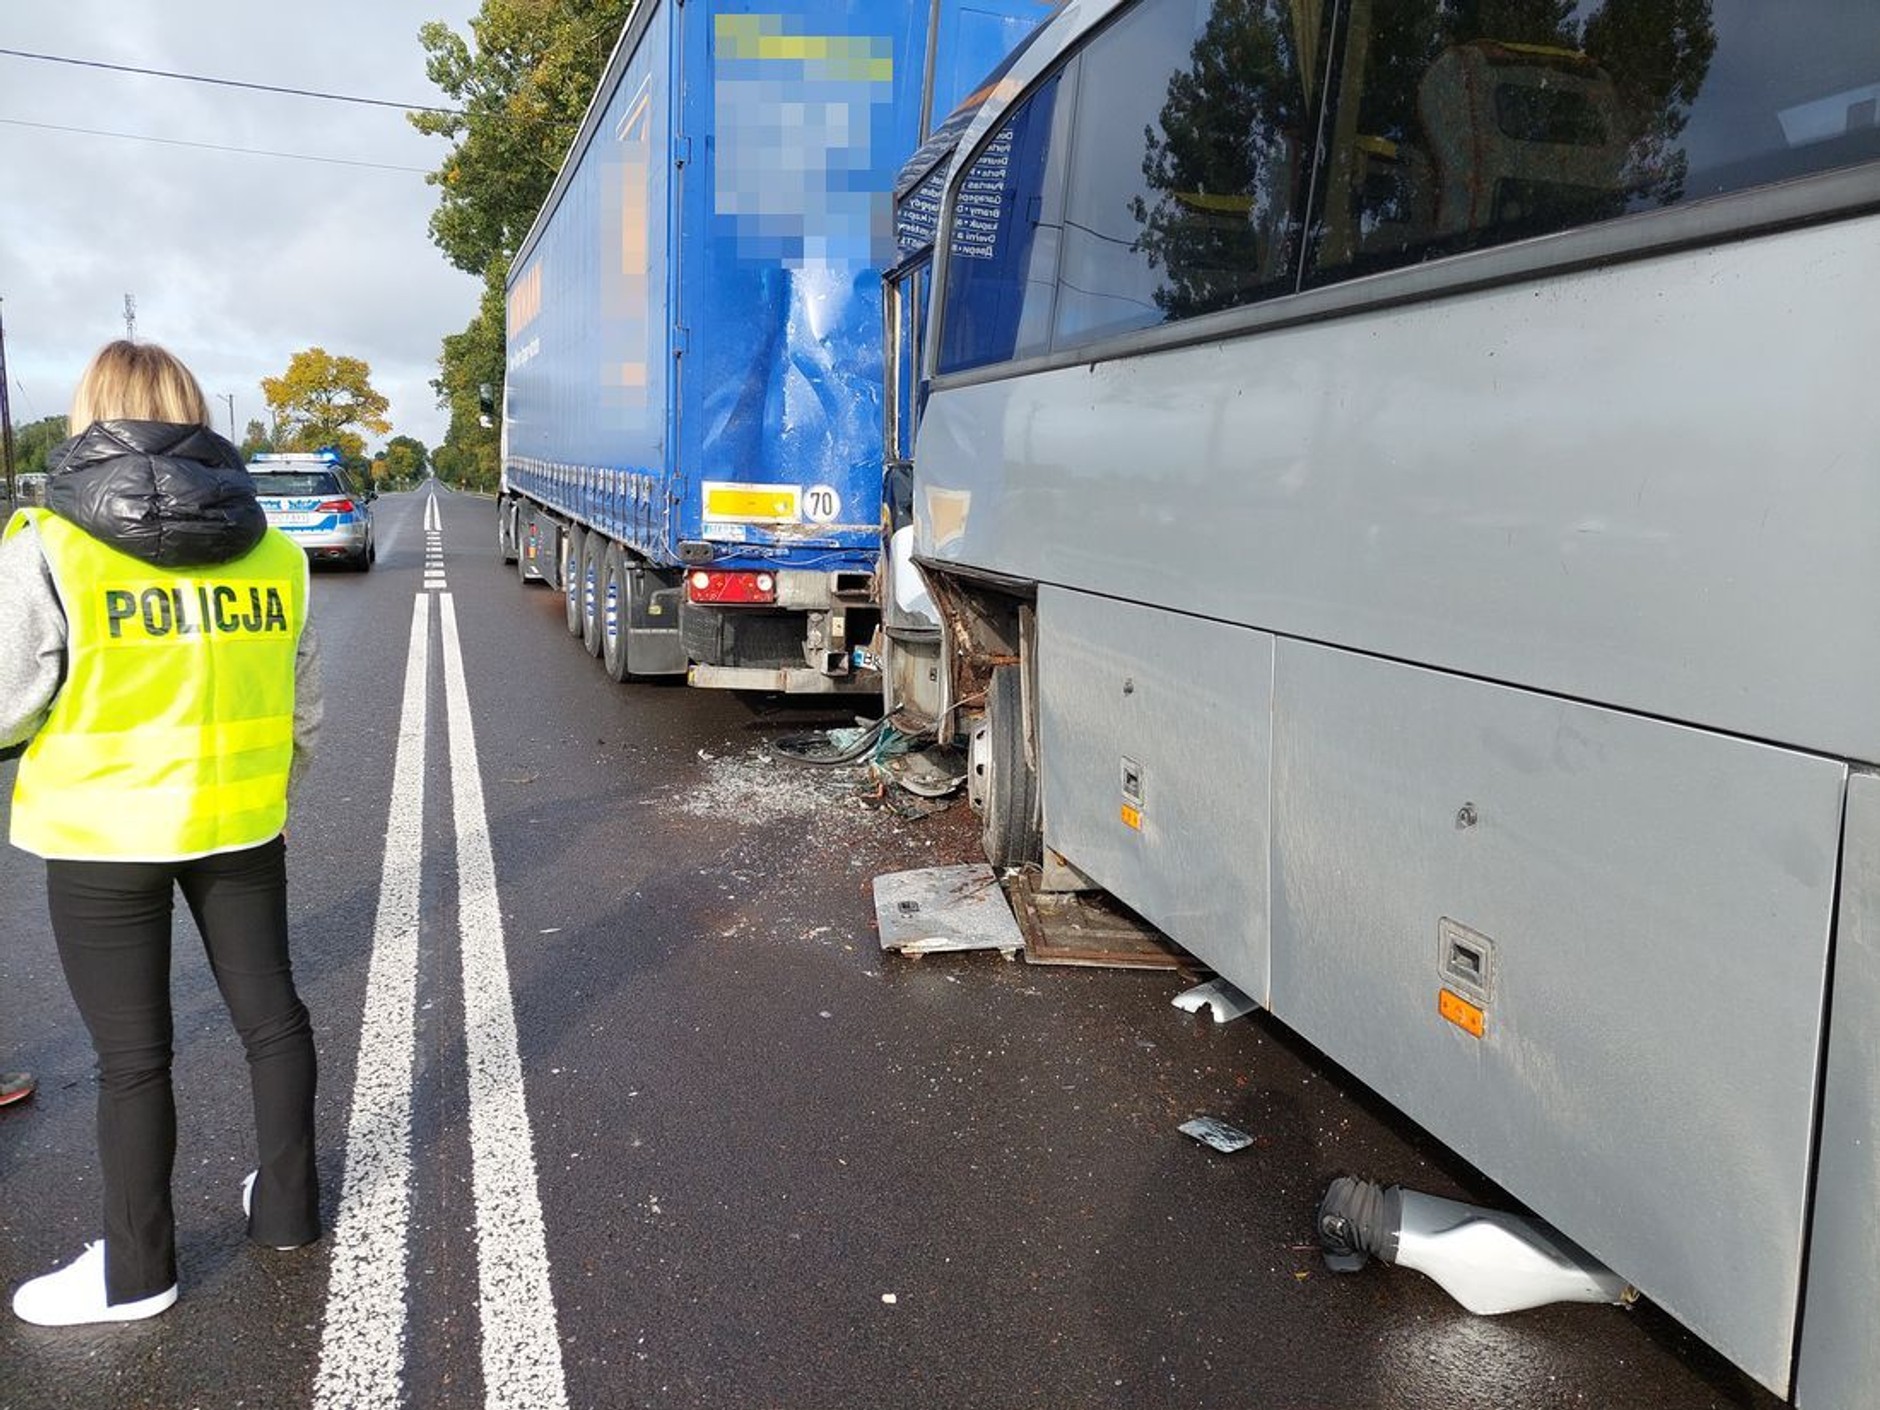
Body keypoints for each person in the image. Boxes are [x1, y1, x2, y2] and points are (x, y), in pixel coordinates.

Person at [0, 341, 323, 1326]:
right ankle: (287, 1212)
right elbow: (302, 709)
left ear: (91, 416)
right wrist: (265, 790)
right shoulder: (275, 552)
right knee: (273, 1021)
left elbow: (8, 704)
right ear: (195, 417)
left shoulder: (49, 544)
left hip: (100, 836)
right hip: (239, 822)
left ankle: (139, 1276)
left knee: (134, 1058)